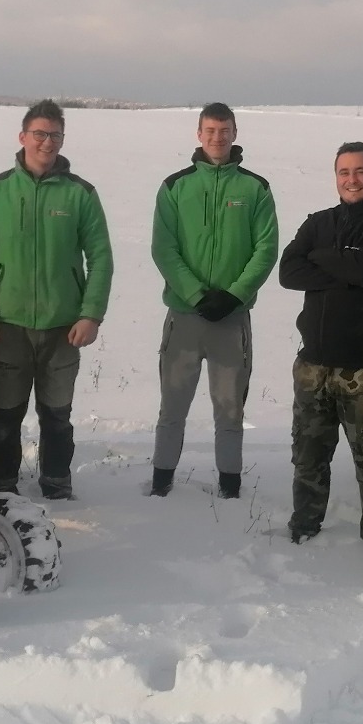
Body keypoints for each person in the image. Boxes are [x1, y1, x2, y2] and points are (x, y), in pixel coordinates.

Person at [0, 99, 113, 500]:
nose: (47, 142)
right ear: (23, 136)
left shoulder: (81, 194)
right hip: (7, 324)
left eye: (55, 135)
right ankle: (4, 482)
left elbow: (100, 258)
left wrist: (90, 314)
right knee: (7, 415)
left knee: (57, 414)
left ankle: (56, 481)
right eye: (40, 134)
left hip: (64, 327)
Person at [277, 141, 363, 558]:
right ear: (335, 177)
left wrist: (323, 261)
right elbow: (288, 271)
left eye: (360, 171)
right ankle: (304, 523)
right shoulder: (319, 222)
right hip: (314, 363)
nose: (351, 180)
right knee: (308, 454)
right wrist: (344, 265)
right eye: (343, 172)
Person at [148, 102, 279, 499]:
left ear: (235, 133)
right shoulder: (176, 186)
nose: (217, 138)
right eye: (210, 130)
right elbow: (164, 248)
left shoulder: (255, 188)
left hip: (231, 320)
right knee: (172, 407)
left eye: (224, 130)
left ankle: (230, 487)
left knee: (229, 410)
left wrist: (234, 295)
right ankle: (161, 482)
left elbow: (266, 248)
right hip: (185, 318)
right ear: (198, 134)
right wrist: (195, 293)